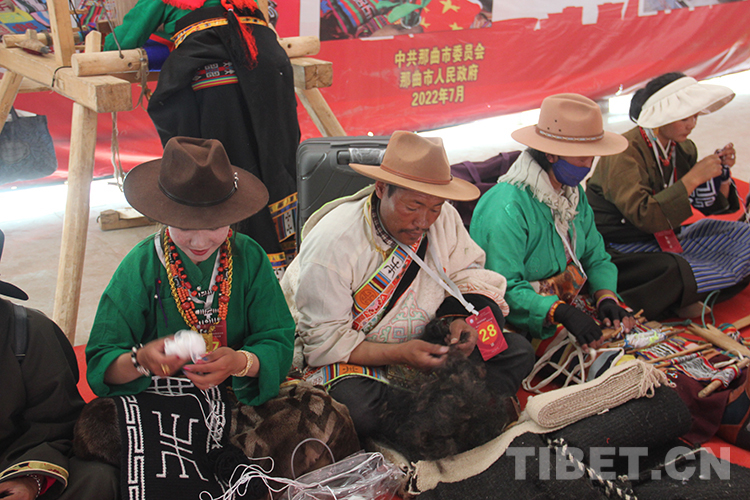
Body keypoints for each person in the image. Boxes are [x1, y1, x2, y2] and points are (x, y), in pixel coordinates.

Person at [281, 130, 535, 438]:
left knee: (516, 350)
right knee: (356, 407)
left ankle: (432, 415)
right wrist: (402, 353)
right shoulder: (334, 244)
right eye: (413, 207)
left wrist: (459, 321)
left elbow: (468, 273)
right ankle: (444, 415)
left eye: (435, 208)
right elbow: (325, 344)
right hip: (360, 357)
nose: (424, 222)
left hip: (427, 340)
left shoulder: (445, 218)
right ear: (381, 188)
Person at [86, 136, 294, 407]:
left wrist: (239, 362)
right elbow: (102, 362)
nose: (199, 242)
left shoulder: (250, 257)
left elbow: (278, 341)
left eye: (214, 226)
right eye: (184, 226)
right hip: (158, 401)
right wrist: (141, 360)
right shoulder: (141, 265)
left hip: (236, 397)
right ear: (164, 216)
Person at [104, 0, 300, 278]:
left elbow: (118, 47)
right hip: (270, 69)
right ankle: (286, 260)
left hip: (217, 81)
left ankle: (240, 265)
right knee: (274, 158)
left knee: (222, 166)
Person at [470, 94, 637, 354]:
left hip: (565, 294)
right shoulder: (507, 206)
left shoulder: (572, 194)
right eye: (580, 157)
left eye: (592, 157)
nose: (588, 165)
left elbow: (595, 255)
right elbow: (502, 285)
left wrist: (606, 297)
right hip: (521, 310)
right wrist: (559, 312)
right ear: (551, 154)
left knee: (626, 331)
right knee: (598, 358)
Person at [586, 72, 750, 319]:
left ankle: (682, 294)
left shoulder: (683, 147)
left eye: (695, 116)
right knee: (671, 268)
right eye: (684, 118)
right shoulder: (624, 152)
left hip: (664, 236)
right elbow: (644, 216)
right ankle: (681, 293)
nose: (691, 124)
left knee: (742, 235)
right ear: (661, 115)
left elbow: (704, 205)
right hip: (620, 243)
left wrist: (720, 175)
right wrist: (692, 178)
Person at [0, 230, 118, 500]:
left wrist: (30, 480)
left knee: (99, 478)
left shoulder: (28, 332)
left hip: (11, 466)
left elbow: (55, 423)